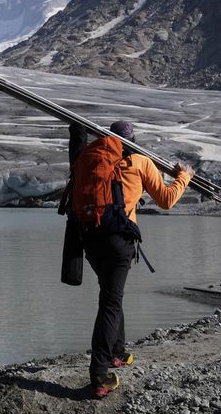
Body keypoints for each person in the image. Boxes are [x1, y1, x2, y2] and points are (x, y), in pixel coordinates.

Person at [68, 120, 192, 398]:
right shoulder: (140, 162)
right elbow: (166, 200)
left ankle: (118, 352)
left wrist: (76, 130)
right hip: (119, 241)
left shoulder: (89, 158)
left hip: (90, 237)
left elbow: (75, 149)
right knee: (110, 302)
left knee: (111, 293)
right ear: (132, 141)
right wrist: (184, 177)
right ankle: (99, 374)